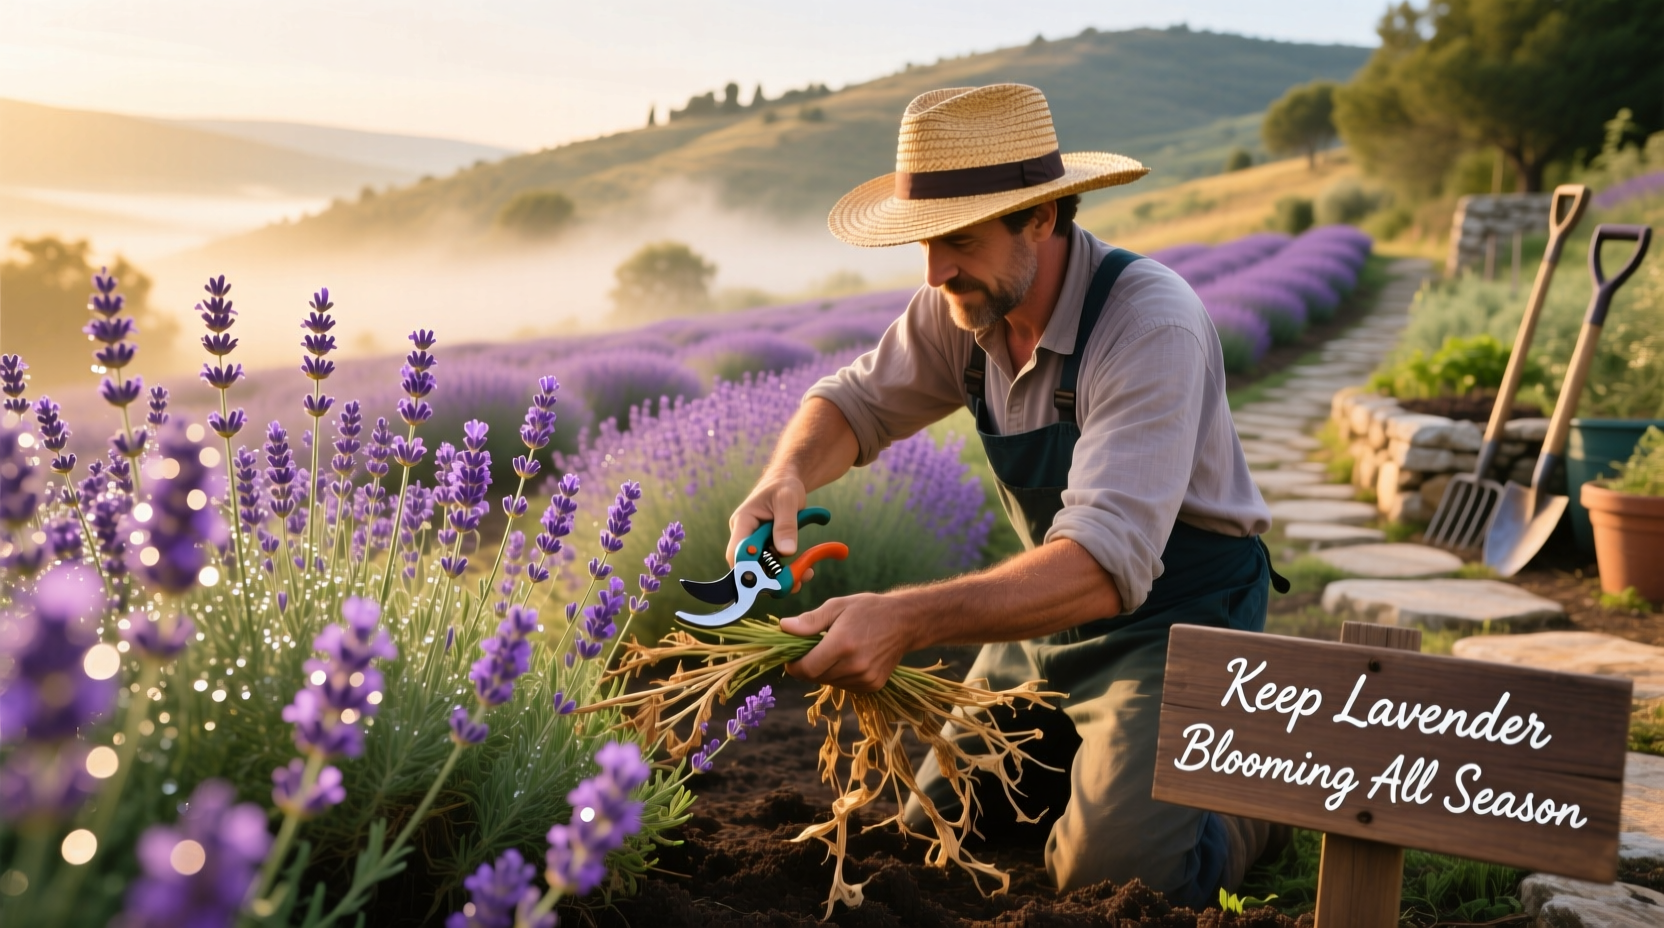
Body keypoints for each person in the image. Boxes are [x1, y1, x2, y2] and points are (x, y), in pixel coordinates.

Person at [723, 83, 1286, 906]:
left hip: (1177, 623)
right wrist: (785, 477)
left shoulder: (1147, 325)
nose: (934, 268)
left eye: (958, 238)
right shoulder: (962, 306)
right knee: (929, 832)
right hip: (1046, 623)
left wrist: (906, 617)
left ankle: (1251, 795)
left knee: (1117, 881)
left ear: (1043, 218)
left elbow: (1101, 565)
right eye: (924, 240)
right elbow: (850, 404)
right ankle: (1112, 771)